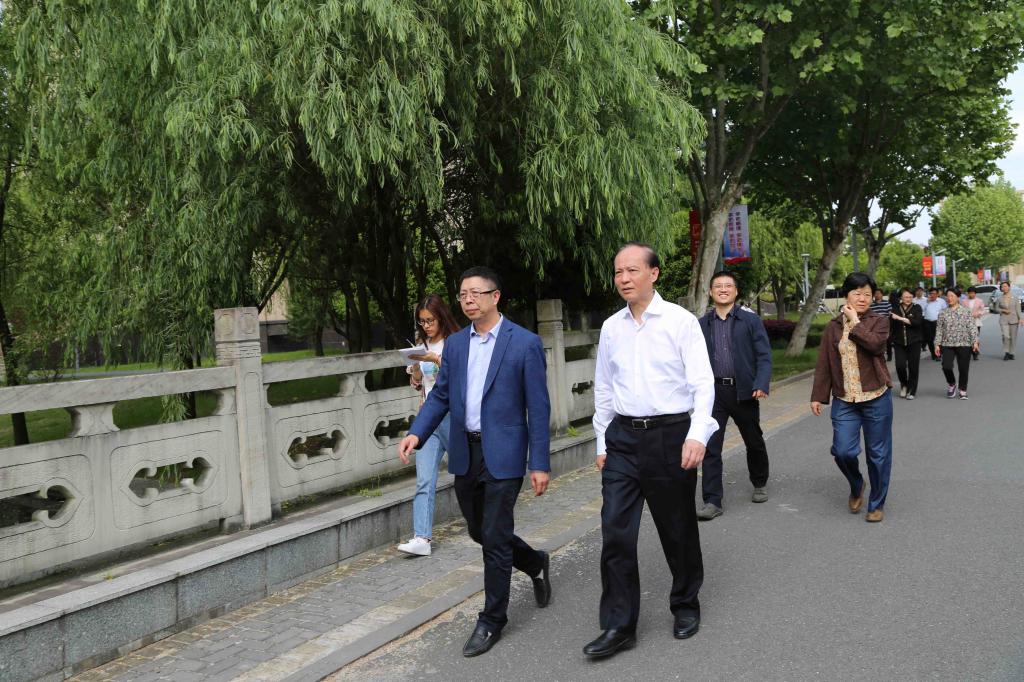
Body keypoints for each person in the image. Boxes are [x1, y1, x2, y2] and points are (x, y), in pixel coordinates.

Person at [397, 266, 552, 658]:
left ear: (495, 296)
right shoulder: (456, 345)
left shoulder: (525, 343)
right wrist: (417, 432)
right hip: (466, 451)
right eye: (463, 294)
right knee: (479, 531)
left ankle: (492, 619)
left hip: (505, 453)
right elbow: (441, 396)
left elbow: (538, 406)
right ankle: (535, 562)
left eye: (475, 293)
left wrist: (539, 462)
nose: (468, 300)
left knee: (495, 537)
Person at [584, 243, 717, 659]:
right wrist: (603, 441)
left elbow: (703, 382)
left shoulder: (680, 321)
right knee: (615, 532)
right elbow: (604, 388)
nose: (623, 278)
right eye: (618, 272)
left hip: (670, 436)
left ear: (654, 273)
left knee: (677, 529)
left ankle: (685, 603)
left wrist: (697, 434)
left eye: (632, 270)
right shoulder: (611, 328)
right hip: (623, 439)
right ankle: (620, 625)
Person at [810, 272, 893, 523]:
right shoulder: (833, 327)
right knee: (842, 451)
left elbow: (875, 346)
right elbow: (824, 363)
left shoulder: (879, 321)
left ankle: (876, 504)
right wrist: (818, 396)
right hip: (845, 400)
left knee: (878, 454)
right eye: (857, 293)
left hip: (876, 397)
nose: (862, 298)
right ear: (846, 295)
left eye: (867, 294)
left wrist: (856, 321)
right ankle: (857, 485)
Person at [695, 271, 772, 520]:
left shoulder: (750, 321)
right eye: (718, 286)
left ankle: (759, 482)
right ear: (711, 292)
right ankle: (712, 500)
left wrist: (761, 383)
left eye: (728, 286)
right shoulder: (701, 325)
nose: (723, 289)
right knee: (711, 446)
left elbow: (764, 355)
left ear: (736, 291)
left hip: (743, 391)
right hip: (713, 393)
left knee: (753, 440)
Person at [397, 294, 461, 557]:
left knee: (469, 474)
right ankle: (421, 538)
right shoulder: (422, 344)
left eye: (430, 320)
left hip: (454, 417)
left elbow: (461, 376)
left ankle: (489, 519)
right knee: (424, 479)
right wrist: (415, 367)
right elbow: (419, 384)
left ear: (441, 317)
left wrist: (435, 360)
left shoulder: (456, 342)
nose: (426, 326)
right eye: (422, 321)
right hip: (428, 420)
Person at [935, 288, 979, 399]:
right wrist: (936, 344)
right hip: (947, 344)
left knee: (963, 368)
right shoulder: (943, 312)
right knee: (946, 366)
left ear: (958, 297)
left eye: (952, 296)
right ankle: (952, 383)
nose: (949, 298)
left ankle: (963, 389)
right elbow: (939, 329)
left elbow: (972, 327)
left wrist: (975, 342)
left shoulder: (966, 311)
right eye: (948, 296)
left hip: (964, 343)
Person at [890, 288, 923, 399]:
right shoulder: (895, 308)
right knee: (900, 366)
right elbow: (891, 325)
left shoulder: (917, 307)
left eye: (910, 297)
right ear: (901, 298)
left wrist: (900, 318)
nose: (908, 299)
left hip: (914, 341)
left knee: (913, 367)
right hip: (899, 342)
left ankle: (912, 390)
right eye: (906, 297)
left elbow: (917, 322)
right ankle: (904, 385)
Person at [996, 281, 1022, 360]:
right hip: (1003, 320)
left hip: (1014, 320)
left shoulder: (1015, 297)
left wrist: (1021, 318)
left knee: (1013, 337)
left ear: (1009, 287)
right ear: (1001, 289)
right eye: (1002, 287)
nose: (1004, 288)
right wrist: (1003, 310)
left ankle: (1011, 353)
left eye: (1005, 286)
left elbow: (1018, 309)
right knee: (1005, 336)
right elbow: (996, 308)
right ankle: (1006, 352)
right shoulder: (999, 298)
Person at [921, 287, 947, 361]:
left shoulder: (941, 301)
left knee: (938, 338)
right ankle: (933, 353)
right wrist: (927, 302)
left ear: (937, 294)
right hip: (927, 322)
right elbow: (921, 310)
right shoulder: (925, 301)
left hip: (938, 322)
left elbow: (945, 311)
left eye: (934, 293)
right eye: (931, 293)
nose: (932, 295)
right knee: (930, 339)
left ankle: (938, 354)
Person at [963, 286, 987, 360]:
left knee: (976, 337)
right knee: (968, 337)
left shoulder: (979, 301)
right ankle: (970, 350)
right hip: (967, 321)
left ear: (975, 293)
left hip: (976, 321)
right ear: (968, 293)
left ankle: (975, 353)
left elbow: (983, 310)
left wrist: (978, 314)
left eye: (973, 293)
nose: (971, 294)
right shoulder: (964, 301)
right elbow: (962, 310)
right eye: (970, 293)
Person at [870, 289, 893, 361]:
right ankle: (880, 356)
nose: (877, 295)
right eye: (876, 293)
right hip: (875, 325)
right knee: (878, 341)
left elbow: (890, 314)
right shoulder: (871, 305)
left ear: (882, 294)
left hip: (885, 325)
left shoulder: (887, 303)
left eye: (879, 293)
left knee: (887, 340)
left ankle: (889, 355)